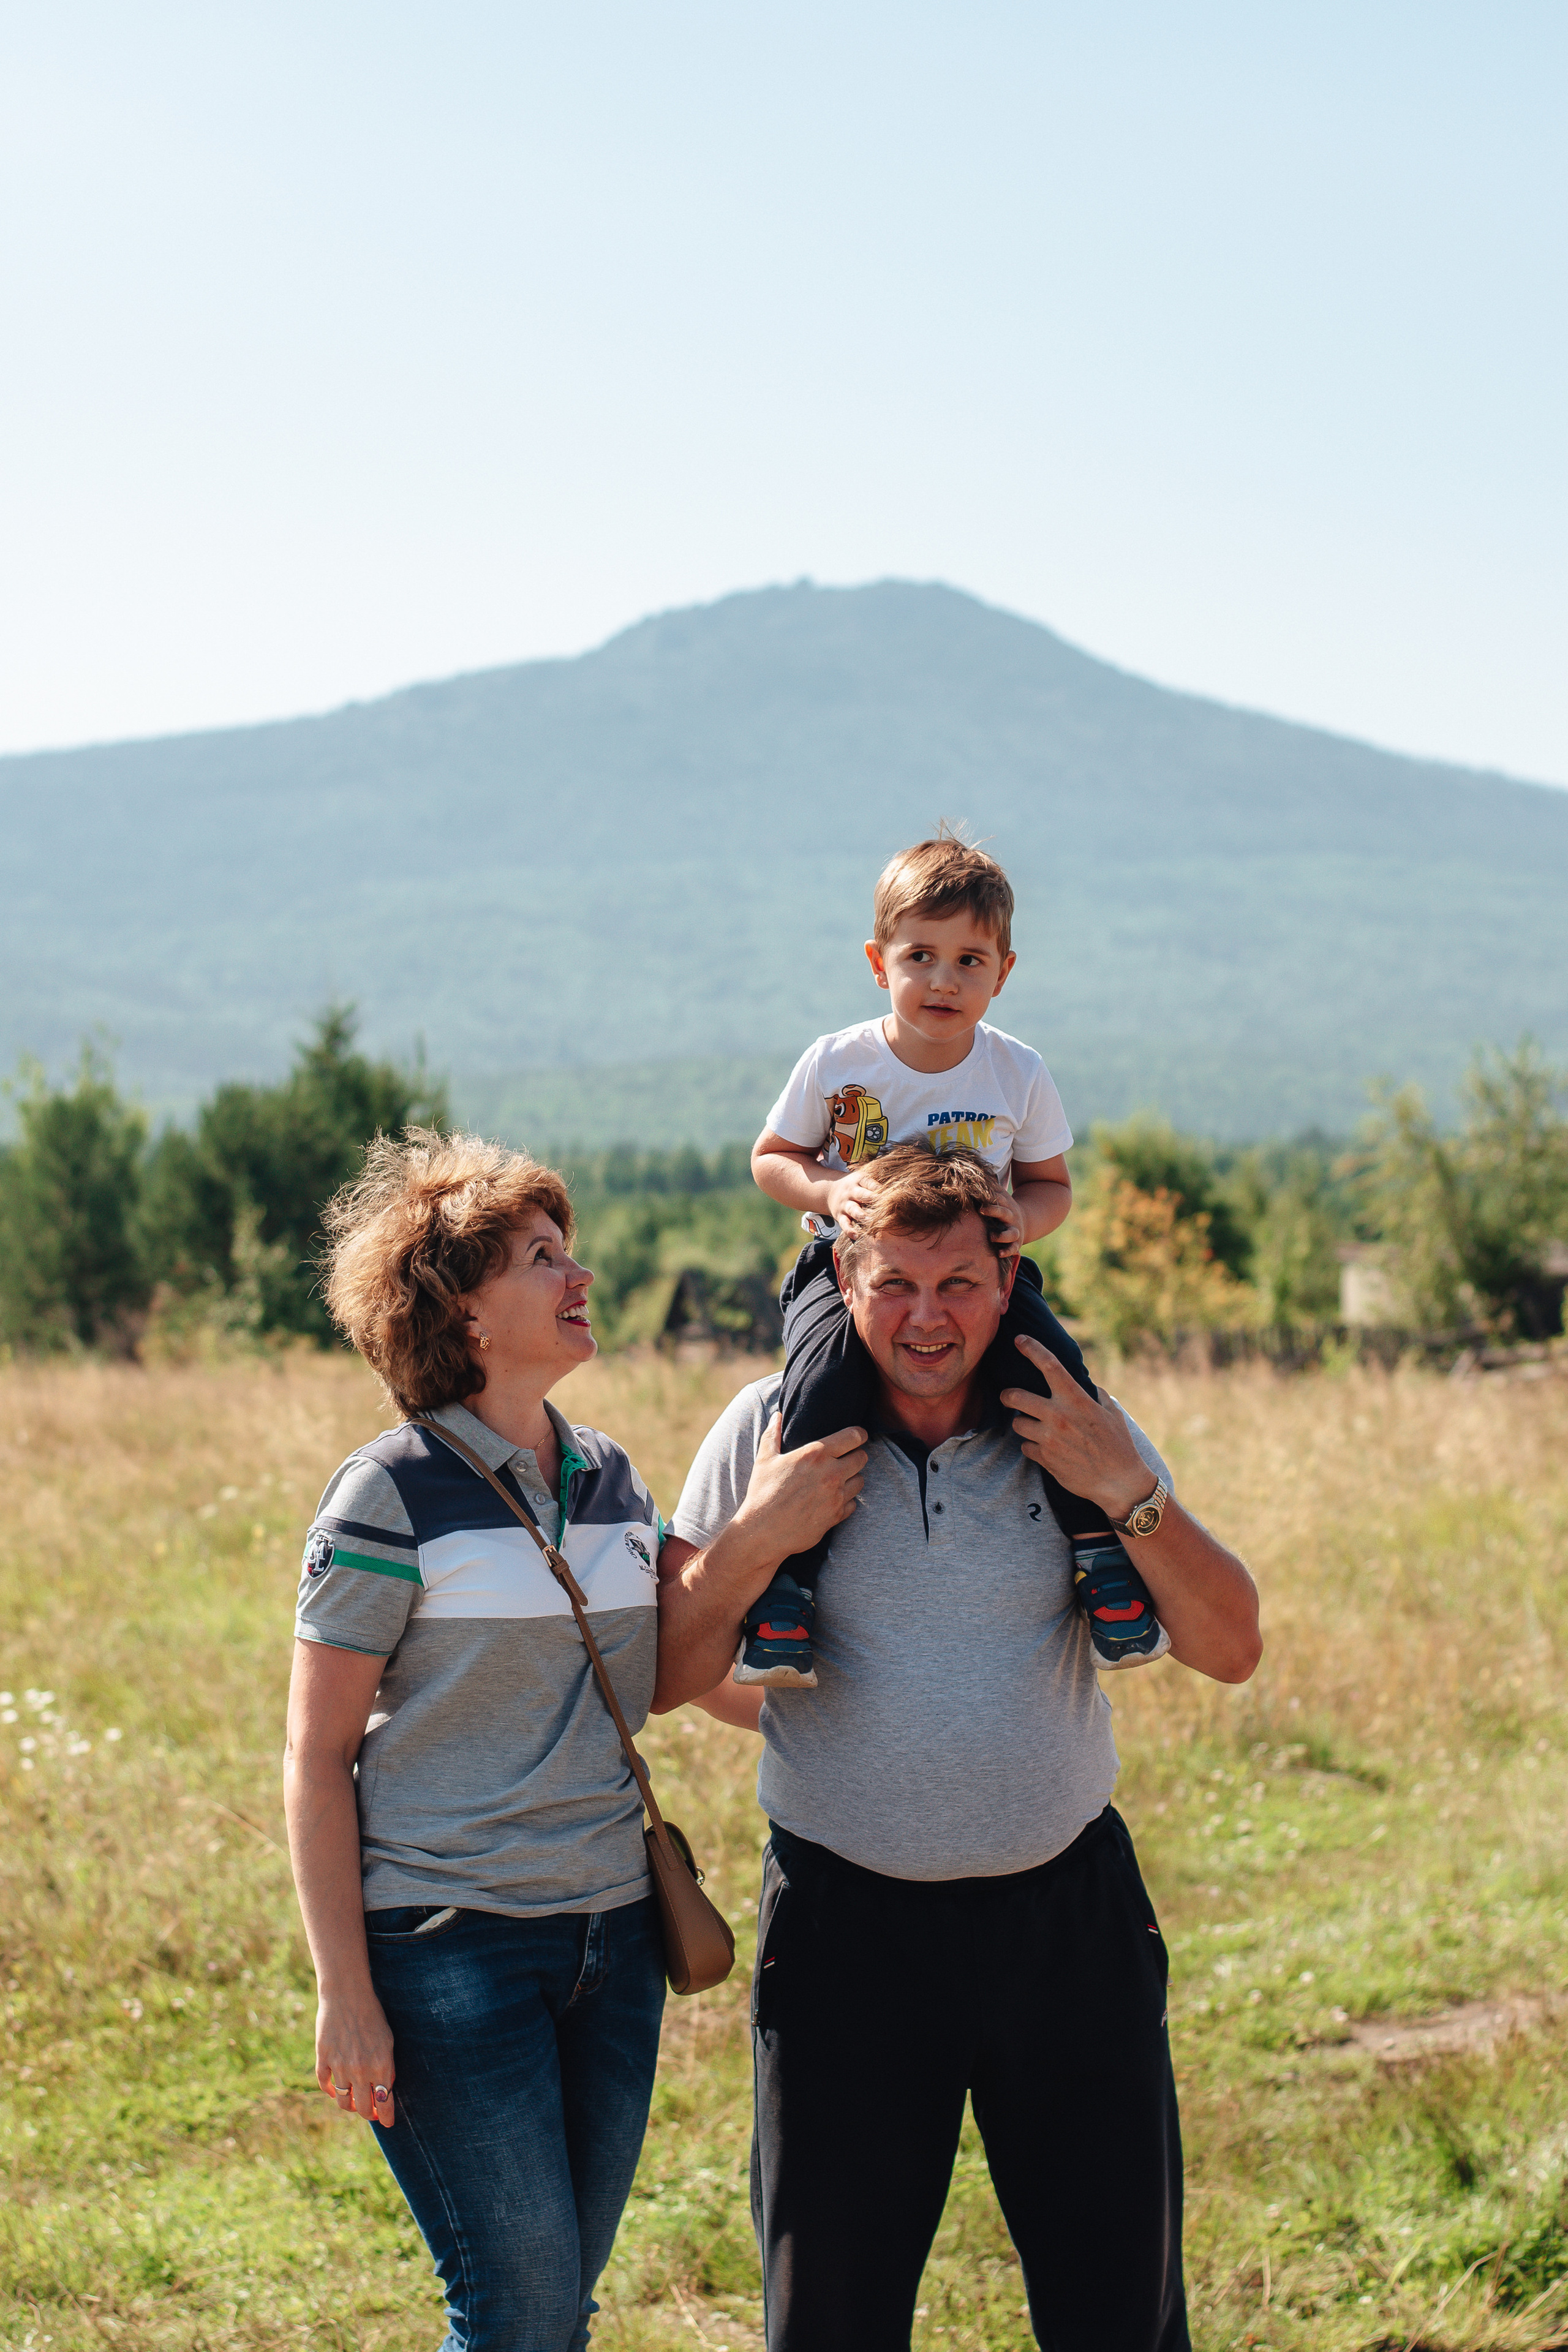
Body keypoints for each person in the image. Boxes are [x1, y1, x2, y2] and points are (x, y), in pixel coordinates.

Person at [653, 1145, 1262, 2352]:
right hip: (842, 1936)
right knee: (829, 2319)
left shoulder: (1077, 1422)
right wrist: (758, 1535)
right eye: (894, 1285)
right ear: (844, 1276)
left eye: (958, 1286)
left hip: (1069, 1929)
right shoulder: (767, 1427)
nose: (926, 1319)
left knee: (1117, 2317)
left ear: (1008, 1280)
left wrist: (1126, 1489)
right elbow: (664, 1675)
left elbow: (1231, 1646)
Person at [282, 1130, 671, 2352]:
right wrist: (346, 1993)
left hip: (617, 1940)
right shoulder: (388, 1494)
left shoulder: (613, 1479)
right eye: (541, 1258)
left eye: (568, 1250)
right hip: (451, 1946)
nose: (579, 1276)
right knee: (520, 2309)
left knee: (555, 2310)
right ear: (460, 1310)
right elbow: (316, 1758)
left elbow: (670, 1676)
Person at [743, 826, 1166, 1687]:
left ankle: (1099, 1556)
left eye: (970, 961)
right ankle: (788, 1585)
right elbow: (771, 1159)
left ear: (1003, 973)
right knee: (819, 1387)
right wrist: (830, 1191)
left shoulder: (1017, 1072)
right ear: (879, 963)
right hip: (848, 1270)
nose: (944, 980)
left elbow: (1052, 1187)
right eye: (920, 957)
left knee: (1057, 1376)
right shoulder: (839, 1061)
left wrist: (1020, 1218)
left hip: (985, 1276)